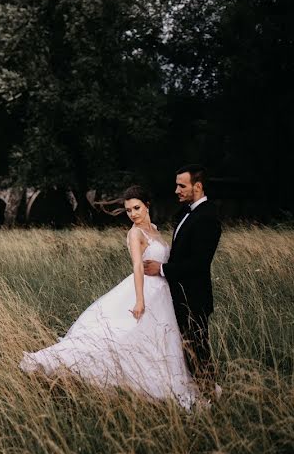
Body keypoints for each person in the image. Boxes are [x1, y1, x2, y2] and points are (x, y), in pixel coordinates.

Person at [20, 185, 199, 410]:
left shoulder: (153, 228)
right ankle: (62, 365)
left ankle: (162, 385)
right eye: (128, 210)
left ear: (147, 206)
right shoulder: (135, 233)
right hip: (145, 289)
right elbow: (137, 265)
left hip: (162, 293)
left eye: (136, 208)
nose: (133, 214)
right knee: (121, 336)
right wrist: (140, 300)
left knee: (157, 340)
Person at [143, 164, 222, 400]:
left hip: (194, 297)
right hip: (178, 296)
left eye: (182, 185)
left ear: (197, 186)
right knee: (185, 348)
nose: (176, 190)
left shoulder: (207, 218)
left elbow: (199, 263)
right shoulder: (187, 213)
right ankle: (196, 390)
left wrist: (162, 268)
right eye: (176, 185)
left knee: (197, 348)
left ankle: (208, 394)